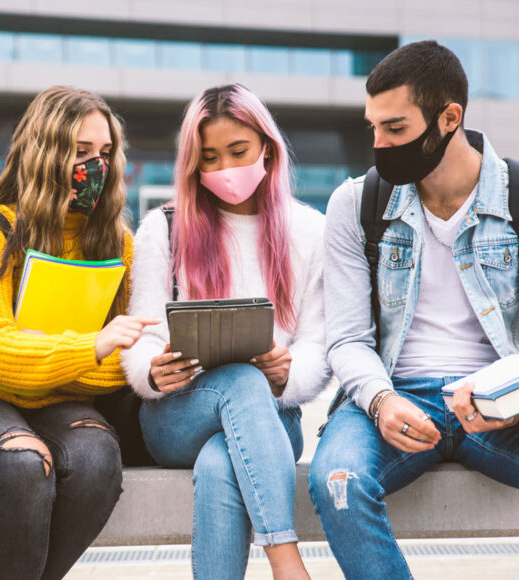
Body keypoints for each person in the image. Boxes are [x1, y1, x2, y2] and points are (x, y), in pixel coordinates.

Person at [308, 40, 519, 579]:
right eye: (372, 128)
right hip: (392, 395)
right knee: (338, 479)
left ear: (450, 118)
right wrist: (380, 402)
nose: (378, 144)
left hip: (505, 403)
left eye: (395, 129)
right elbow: (347, 338)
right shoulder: (355, 204)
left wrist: (512, 404)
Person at [0, 85, 156, 580]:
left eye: (105, 153)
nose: (96, 165)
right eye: (81, 151)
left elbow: (129, 360)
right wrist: (89, 349)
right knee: (25, 463)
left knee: (96, 461)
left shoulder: (120, 245)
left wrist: (102, 361)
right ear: (45, 151)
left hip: (61, 400)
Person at [122, 83, 330, 580]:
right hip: (178, 415)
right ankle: (286, 561)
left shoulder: (309, 231)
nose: (225, 170)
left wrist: (288, 372)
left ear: (267, 147)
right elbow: (144, 333)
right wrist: (151, 371)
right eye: (209, 158)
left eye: (238, 152)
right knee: (239, 381)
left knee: (221, 462)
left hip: (272, 417)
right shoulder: (165, 228)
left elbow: (320, 346)